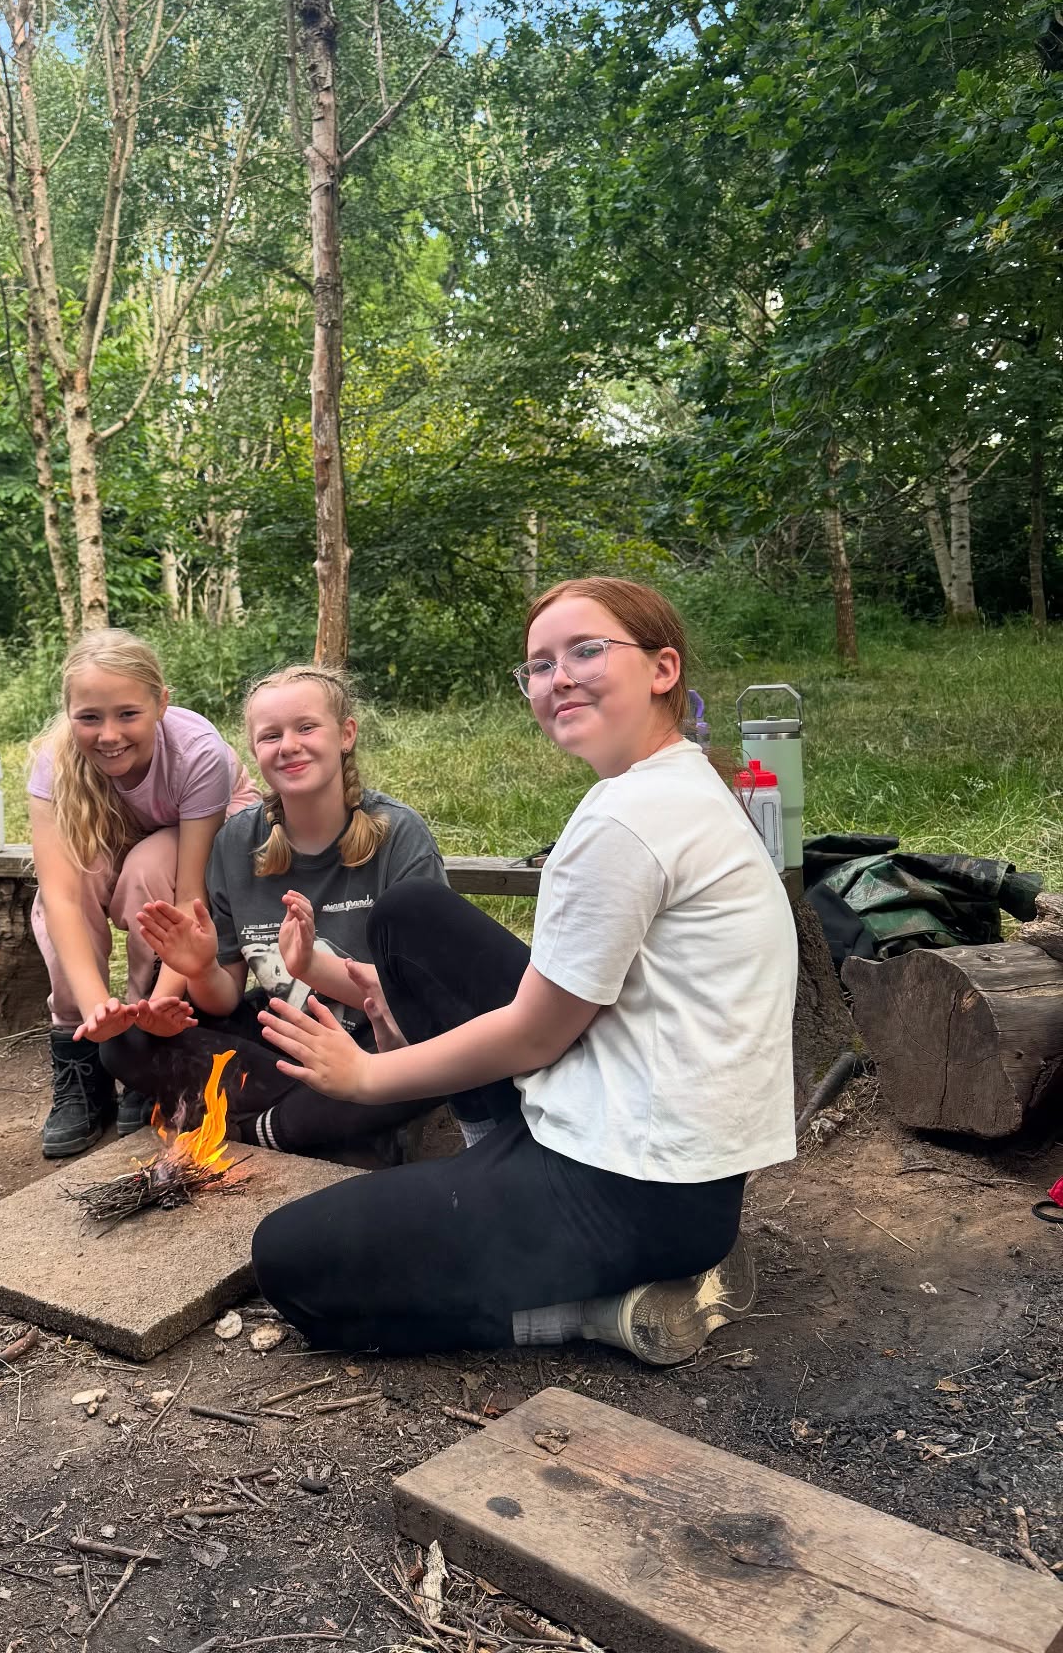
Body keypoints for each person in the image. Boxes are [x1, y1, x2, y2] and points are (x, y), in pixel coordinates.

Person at [250, 578, 797, 1363]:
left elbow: (535, 1033)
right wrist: (361, 984)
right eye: (539, 666)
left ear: (663, 669)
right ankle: (495, 1164)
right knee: (411, 917)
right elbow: (572, 993)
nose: (558, 678)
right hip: (675, 1163)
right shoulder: (674, 785)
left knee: (293, 1261)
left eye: (586, 651)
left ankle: (590, 1313)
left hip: (632, 1190)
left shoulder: (626, 820)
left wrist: (368, 1077)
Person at [81, 663, 448, 1161]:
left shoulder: (398, 835)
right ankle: (328, 1125)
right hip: (280, 1039)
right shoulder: (238, 842)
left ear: (346, 734)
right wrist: (201, 967)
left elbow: (421, 999)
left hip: (371, 1040)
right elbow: (223, 998)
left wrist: (312, 968)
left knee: (429, 1068)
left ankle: (265, 1128)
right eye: (270, 735)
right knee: (124, 1046)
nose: (288, 745)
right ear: (254, 751)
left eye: (306, 727)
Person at [28, 631, 258, 1158]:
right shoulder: (55, 763)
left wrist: (155, 1010)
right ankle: (79, 1054)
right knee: (64, 889)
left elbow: (189, 897)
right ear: (69, 715)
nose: (109, 735)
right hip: (119, 829)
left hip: (196, 841)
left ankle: (144, 1048)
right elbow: (62, 897)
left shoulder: (197, 752)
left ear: (162, 703)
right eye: (89, 718)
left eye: (128, 714)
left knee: (151, 868)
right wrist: (94, 1015)